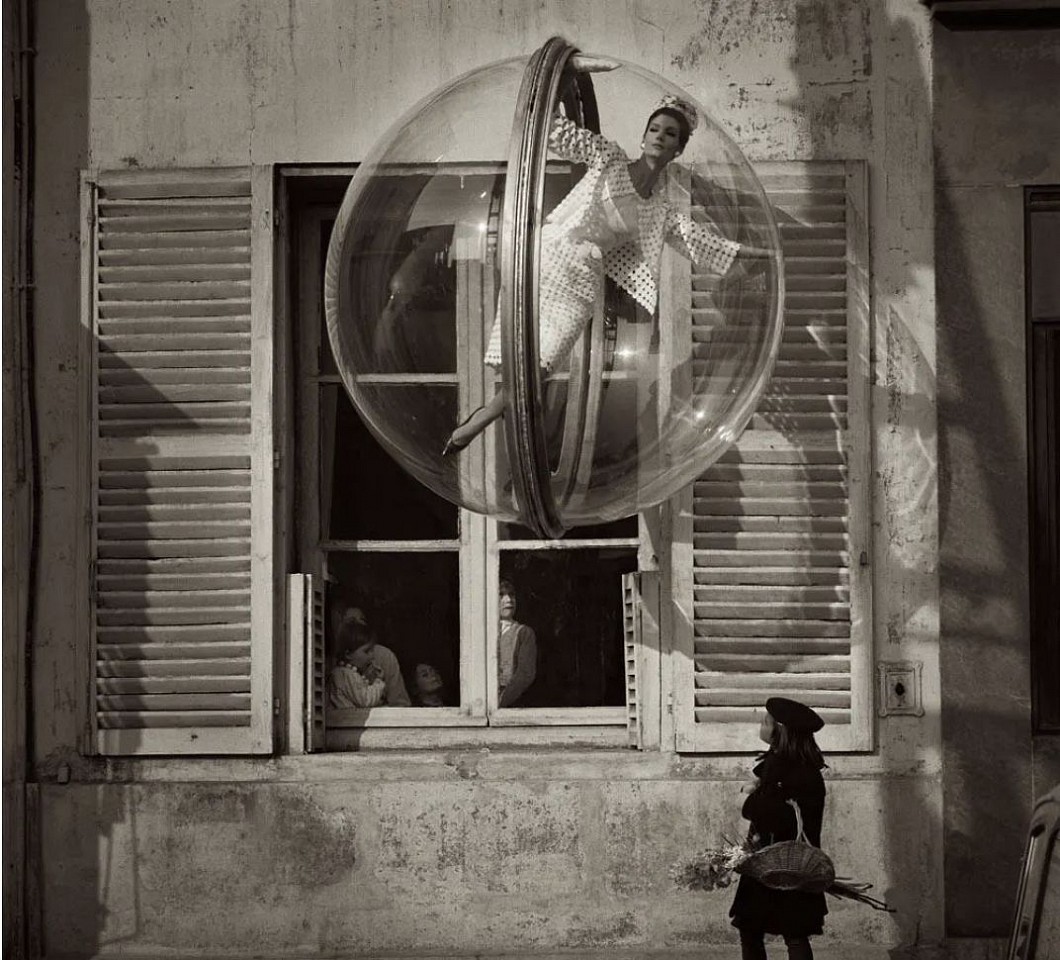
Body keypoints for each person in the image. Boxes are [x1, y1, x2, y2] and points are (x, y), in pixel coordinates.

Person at [442, 58, 770, 456]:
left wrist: (757, 253)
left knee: (540, 370)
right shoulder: (609, 158)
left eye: (670, 135)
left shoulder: (661, 208)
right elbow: (555, 133)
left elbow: (699, 241)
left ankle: (479, 421)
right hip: (546, 258)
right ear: (644, 134)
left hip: (581, 280)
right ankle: (480, 427)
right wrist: (565, 79)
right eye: (654, 129)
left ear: (678, 148)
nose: (659, 138)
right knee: (519, 365)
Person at [730, 697, 829, 960]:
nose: (761, 726)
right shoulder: (789, 763)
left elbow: (773, 813)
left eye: (766, 722)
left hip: (783, 862)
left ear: (780, 730)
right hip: (772, 860)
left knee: (788, 932)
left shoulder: (792, 770)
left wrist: (747, 801)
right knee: (770, 930)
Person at [330, 607, 412, 708]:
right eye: (352, 622)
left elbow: (400, 703)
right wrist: (379, 682)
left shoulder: (384, 655)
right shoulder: (343, 673)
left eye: (362, 620)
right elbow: (366, 700)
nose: (359, 625)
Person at [497, 580, 537, 707]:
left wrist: (500, 702)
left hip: (512, 704)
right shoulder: (481, 633)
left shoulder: (524, 633)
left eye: (511, 594)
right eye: (501, 595)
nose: (508, 599)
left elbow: (525, 674)